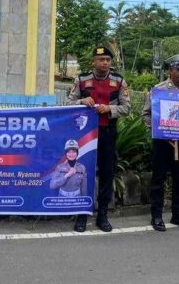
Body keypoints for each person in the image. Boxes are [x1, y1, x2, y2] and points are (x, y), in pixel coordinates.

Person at [66, 46, 131, 232]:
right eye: (101, 59)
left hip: (107, 133)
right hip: (85, 134)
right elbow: (68, 103)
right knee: (83, 172)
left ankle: (103, 214)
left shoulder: (119, 81)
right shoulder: (81, 80)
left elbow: (127, 108)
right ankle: (82, 213)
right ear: (93, 61)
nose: (105, 63)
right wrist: (81, 101)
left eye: (108, 60)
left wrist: (110, 109)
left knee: (106, 173)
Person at [142, 53, 179, 231]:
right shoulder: (159, 90)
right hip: (163, 142)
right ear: (171, 70)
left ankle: (178, 215)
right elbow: (146, 115)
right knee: (158, 179)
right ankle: (157, 216)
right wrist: (158, 129)